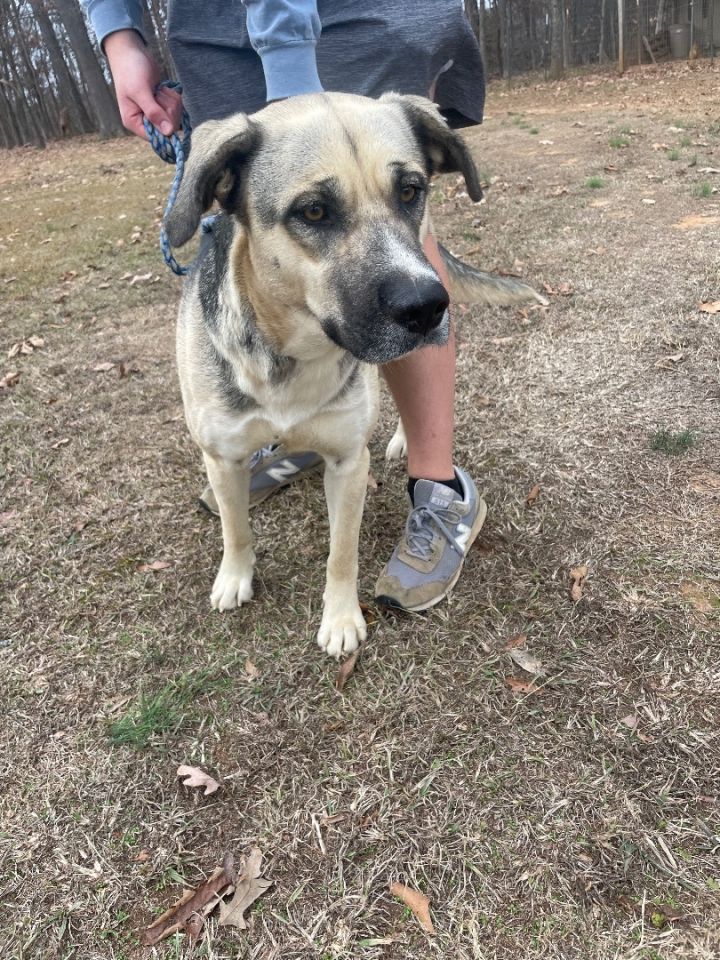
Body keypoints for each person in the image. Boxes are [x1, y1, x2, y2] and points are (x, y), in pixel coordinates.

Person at [82, 0, 487, 612]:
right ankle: (287, 438)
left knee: (359, 177)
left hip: (362, 15)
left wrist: (290, 54)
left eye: (411, 192)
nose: (419, 285)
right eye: (315, 214)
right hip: (209, 27)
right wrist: (118, 35)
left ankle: (435, 480)